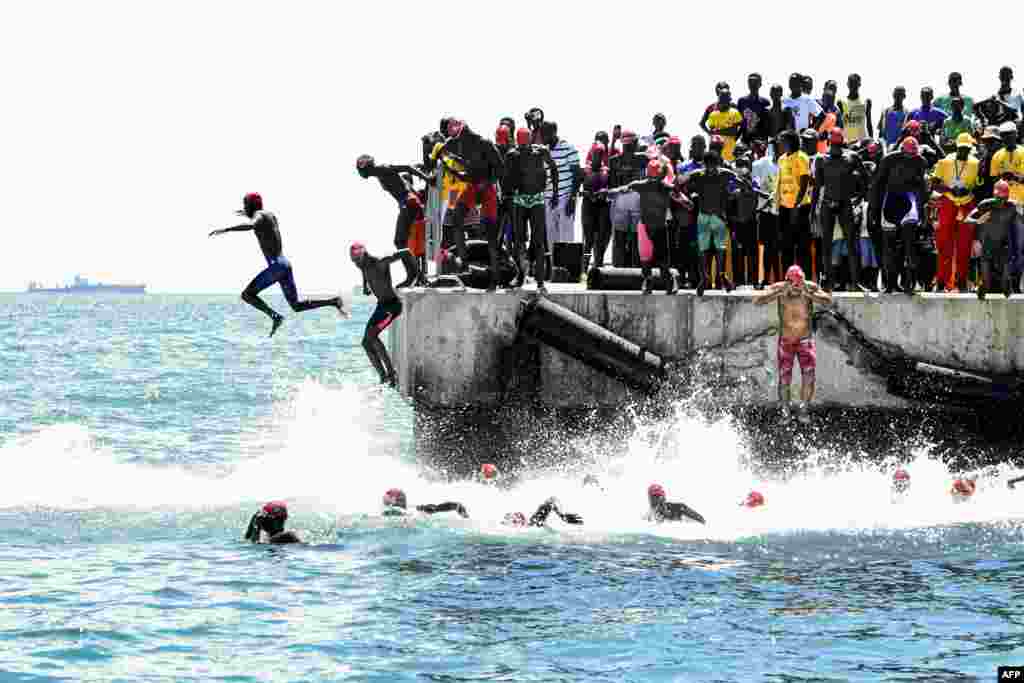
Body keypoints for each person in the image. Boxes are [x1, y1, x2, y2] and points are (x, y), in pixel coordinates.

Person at [209, 193, 346, 337]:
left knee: (247, 295)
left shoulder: (258, 216)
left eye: (245, 204)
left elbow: (252, 224)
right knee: (296, 306)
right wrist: (245, 213)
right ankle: (333, 301)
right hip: (284, 265)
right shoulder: (269, 215)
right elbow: (258, 220)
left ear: (252, 205)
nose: (244, 207)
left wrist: (227, 230)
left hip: (276, 267)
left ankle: (275, 317)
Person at [752, 265, 832, 417]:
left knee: (809, 377)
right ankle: (785, 410)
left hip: (805, 341)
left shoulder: (809, 288)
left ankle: (804, 409)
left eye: (799, 283)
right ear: (787, 281)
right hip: (786, 342)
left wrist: (810, 295)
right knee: (784, 379)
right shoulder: (780, 288)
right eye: (793, 284)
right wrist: (777, 293)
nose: (796, 288)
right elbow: (757, 301)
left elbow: (827, 300)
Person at [436, 118, 505, 289]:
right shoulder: (457, 144)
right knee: (456, 219)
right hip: (472, 187)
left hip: (486, 188)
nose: (457, 141)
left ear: (466, 132)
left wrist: (488, 181)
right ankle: (464, 261)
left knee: (490, 236)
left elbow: (500, 168)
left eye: (459, 136)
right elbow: (464, 172)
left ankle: (494, 279)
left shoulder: (484, 143)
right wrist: (448, 164)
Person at [355, 156, 431, 288]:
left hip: (408, 203)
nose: (359, 172)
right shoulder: (379, 173)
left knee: (399, 242)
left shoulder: (383, 168)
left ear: (366, 167)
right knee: (402, 242)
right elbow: (405, 184)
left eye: (359, 169)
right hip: (408, 203)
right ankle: (417, 275)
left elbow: (407, 168)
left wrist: (427, 178)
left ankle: (414, 274)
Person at [870, 136, 930, 294]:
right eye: (908, 154)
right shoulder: (889, 159)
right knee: (889, 246)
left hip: (908, 200)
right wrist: (873, 210)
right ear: (902, 150)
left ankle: (909, 283)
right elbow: (877, 185)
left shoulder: (920, 162)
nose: (911, 157)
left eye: (913, 155)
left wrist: (924, 212)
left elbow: (922, 189)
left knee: (909, 244)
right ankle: (890, 284)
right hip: (890, 199)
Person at [608, 158, 677, 294]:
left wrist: (685, 201)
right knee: (645, 260)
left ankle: (670, 281)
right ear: (647, 175)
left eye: (656, 177)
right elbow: (623, 189)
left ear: (662, 176)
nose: (653, 180)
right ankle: (647, 281)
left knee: (663, 262)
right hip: (645, 227)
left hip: (660, 228)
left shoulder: (666, 188)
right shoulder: (641, 185)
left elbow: (678, 195)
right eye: (651, 177)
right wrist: (609, 192)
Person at [812, 128, 869, 291]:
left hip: (845, 203)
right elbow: (817, 186)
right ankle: (829, 282)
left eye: (839, 144)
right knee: (826, 245)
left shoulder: (852, 157)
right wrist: (813, 209)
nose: (836, 148)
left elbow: (865, 179)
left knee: (851, 243)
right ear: (829, 143)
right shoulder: (821, 159)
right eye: (834, 144)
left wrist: (860, 198)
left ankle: (855, 282)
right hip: (827, 204)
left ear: (842, 143)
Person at [505, 128, 559, 292]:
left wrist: (555, 192)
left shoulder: (540, 151)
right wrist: (507, 197)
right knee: (518, 241)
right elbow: (506, 178)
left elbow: (553, 169)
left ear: (529, 140)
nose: (522, 147)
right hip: (519, 200)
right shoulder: (512, 154)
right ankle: (520, 275)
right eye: (520, 144)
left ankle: (540, 282)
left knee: (538, 242)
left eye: (524, 143)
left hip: (536, 199)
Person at [931, 132, 980, 292]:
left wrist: (968, 189)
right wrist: (950, 189)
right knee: (944, 245)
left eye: (967, 149)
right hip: (948, 203)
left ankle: (961, 281)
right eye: (962, 149)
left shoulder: (975, 163)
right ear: (956, 147)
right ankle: (941, 281)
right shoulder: (944, 162)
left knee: (964, 246)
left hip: (967, 205)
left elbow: (978, 185)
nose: (964, 152)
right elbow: (935, 184)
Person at [350, 242, 404, 386]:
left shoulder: (379, 262)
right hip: (381, 306)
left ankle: (392, 374)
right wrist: (365, 286)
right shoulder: (363, 266)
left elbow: (406, 253)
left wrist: (412, 277)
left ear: (364, 255)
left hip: (392, 306)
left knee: (372, 335)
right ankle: (383, 376)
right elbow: (363, 272)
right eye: (353, 261)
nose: (355, 264)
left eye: (356, 260)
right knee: (366, 343)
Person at [687, 151, 739, 295]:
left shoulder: (725, 174)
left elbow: (741, 182)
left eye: (713, 166)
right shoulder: (698, 174)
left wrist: (738, 191)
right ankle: (704, 276)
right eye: (708, 166)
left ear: (718, 164)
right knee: (703, 249)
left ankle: (722, 274)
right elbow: (679, 182)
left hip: (718, 217)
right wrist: (687, 196)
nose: (711, 169)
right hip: (704, 216)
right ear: (705, 165)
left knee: (720, 248)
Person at [965, 180, 1017, 298]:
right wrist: (978, 221)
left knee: (1005, 280)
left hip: (1003, 244)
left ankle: (1007, 286)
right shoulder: (985, 205)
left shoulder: (1011, 207)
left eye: (1004, 198)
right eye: (998, 198)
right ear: (994, 195)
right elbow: (967, 219)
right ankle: (983, 285)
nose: (1001, 201)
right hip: (988, 243)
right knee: (986, 282)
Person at [776, 130, 813, 282]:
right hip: (784, 207)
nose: (780, 144)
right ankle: (788, 279)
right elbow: (780, 181)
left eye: (782, 141)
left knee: (802, 245)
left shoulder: (802, 157)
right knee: (786, 245)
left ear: (791, 141)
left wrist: (796, 206)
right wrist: (779, 204)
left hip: (800, 207)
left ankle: (806, 279)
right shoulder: (781, 159)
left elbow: (804, 183)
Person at [608, 129, 649, 267]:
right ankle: (632, 270)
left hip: (624, 198)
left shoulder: (614, 160)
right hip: (633, 199)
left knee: (623, 237)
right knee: (630, 237)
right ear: (636, 142)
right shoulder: (643, 158)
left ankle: (622, 269)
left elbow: (612, 184)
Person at [541, 121, 582, 248]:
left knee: (566, 237)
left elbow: (577, 175)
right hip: (548, 198)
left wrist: (572, 198)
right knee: (550, 238)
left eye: (546, 132)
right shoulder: (543, 151)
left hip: (566, 197)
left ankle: (566, 266)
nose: (543, 135)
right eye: (542, 132)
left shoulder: (568, 148)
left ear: (554, 132)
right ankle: (552, 266)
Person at [753, 137, 782, 289]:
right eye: (776, 145)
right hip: (766, 210)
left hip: (783, 211)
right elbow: (755, 184)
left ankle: (779, 279)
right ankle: (765, 279)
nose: (778, 148)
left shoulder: (787, 163)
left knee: (780, 247)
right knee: (768, 247)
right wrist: (765, 195)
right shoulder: (760, 163)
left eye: (781, 145)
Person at [582, 141, 612, 269]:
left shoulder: (607, 172)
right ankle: (583, 268)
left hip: (602, 206)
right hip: (588, 205)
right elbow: (576, 189)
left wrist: (604, 192)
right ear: (591, 153)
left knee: (600, 238)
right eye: (596, 153)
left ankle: (598, 266)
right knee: (588, 238)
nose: (598, 156)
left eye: (601, 153)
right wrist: (585, 193)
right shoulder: (585, 170)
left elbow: (612, 188)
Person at [700, 82, 744, 162]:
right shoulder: (711, 108)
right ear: (716, 91)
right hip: (715, 144)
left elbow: (738, 126)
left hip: (730, 144)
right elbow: (702, 123)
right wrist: (711, 134)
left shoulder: (733, 107)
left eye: (726, 88)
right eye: (719, 89)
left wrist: (735, 138)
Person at [381, 488, 469, 518]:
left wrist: (460, 509)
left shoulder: (417, 509)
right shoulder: (415, 509)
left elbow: (454, 505)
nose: (384, 500)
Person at [502, 497, 584, 527]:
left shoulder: (534, 520)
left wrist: (562, 516)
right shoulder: (533, 523)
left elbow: (552, 500)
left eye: (515, 520)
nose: (516, 521)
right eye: (514, 521)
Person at [838, 73, 873, 144]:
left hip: (862, 143)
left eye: (855, 84)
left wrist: (871, 140)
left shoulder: (866, 101)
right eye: (851, 83)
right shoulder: (841, 102)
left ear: (859, 84)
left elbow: (869, 123)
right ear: (847, 84)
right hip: (847, 143)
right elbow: (839, 125)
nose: (853, 86)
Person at [738, 73, 771, 144]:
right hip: (745, 139)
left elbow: (767, 123)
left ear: (760, 84)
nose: (752, 85)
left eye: (755, 82)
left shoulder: (765, 102)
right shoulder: (742, 101)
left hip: (760, 140)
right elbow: (739, 121)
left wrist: (765, 141)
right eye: (750, 82)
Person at [878, 86, 909, 151]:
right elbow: (881, 132)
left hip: (900, 147)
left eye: (900, 94)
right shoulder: (886, 111)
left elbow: (907, 133)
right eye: (896, 94)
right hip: (886, 147)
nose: (898, 97)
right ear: (893, 95)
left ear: (904, 96)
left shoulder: (907, 113)